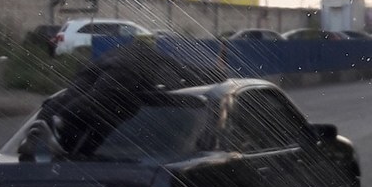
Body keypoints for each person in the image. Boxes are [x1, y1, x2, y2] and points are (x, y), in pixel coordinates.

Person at [18, 39, 227, 160]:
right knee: (103, 97)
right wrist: (220, 75)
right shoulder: (157, 61)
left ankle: (42, 126)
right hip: (125, 70)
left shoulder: (130, 53)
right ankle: (66, 120)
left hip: (97, 67)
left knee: (74, 93)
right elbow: (186, 75)